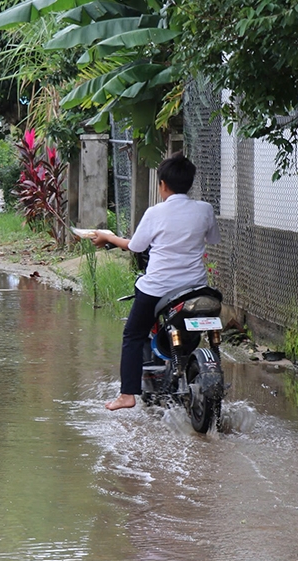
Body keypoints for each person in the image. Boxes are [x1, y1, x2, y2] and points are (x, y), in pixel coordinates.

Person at [91, 152, 220, 411]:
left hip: (158, 288)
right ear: (189, 183)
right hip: (195, 288)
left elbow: (136, 246)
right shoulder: (205, 209)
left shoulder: (155, 212)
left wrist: (108, 237)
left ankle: (127, 394)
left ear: (162, 184)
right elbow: (213, 239)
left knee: (133, 334)